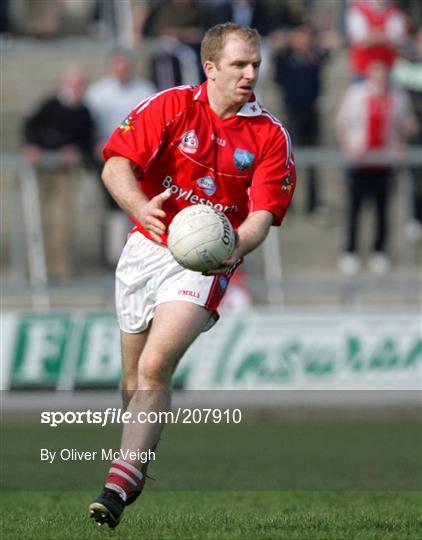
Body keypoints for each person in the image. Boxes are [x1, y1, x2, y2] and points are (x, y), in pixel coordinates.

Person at [88, 22, 296, 528]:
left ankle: (122, 480)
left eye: (256, 66)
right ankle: (138, 448)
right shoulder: (171, 105)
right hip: (145, 248)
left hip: (205, 262)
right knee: (132, 379)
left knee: (157, 367)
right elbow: (115, 165)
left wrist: (233, 247)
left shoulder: (269, 134)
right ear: (210, 68)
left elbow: (262, 215)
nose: (250, 74)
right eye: (239, 65)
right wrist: (142, 207)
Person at [336, 59, 416, 275]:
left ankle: (379, 251)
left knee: (382, 210)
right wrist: (348, 147)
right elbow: (341, 122)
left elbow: (404, 125)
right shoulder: (356, 94)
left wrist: (402, 140)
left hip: (385, 160)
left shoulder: (397, 97)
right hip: (360, 160)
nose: (380, 79)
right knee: (355, 209)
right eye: (376, 74)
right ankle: (350, 251)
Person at [22, 65, 96, 279]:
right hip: (43, 168)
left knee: (63, 220)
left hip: (65, 172)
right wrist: (32, 146)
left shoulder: (84, 111)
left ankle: (60, 268)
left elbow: (87, 141)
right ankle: (38, 267)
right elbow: (30, 127)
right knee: (40, 217)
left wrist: (75, 151)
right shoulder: (50, 104)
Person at [85, 48, 156, 268]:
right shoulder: (97, 93)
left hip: (140, 158)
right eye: (117, 65)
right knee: (111, 207)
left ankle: (139, 253)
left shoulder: (145, 90)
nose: (121, 70)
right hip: (106, 158)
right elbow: (88, 126)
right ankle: (113, 258)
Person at [345, 0, 407, 79]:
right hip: (362, 71)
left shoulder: (395, 12)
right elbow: (359, 41)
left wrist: (372, 36)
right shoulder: (358, 9)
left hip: (388, 72)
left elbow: (398, 42)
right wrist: (385, 36)